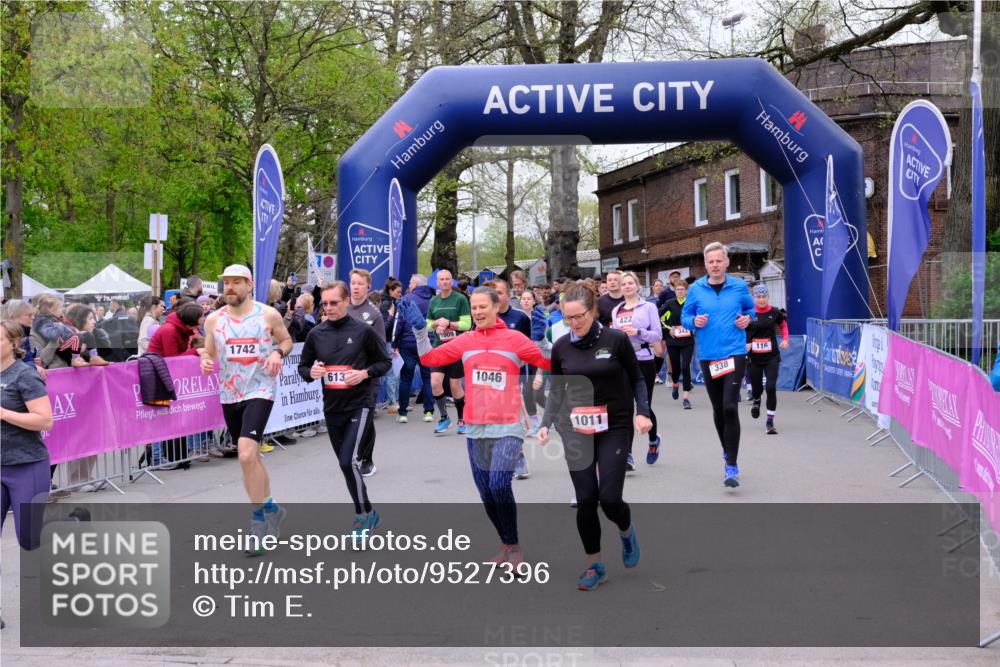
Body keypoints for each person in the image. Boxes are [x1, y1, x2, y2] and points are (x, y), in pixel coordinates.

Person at [399, 286, 550, 566]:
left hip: (508, 423)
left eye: (483, 306)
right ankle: (506, 544)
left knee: (499, 484)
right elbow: (430, 359)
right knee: (486, 492)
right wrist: (421, 331)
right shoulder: (466, 340)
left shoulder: (514, 339)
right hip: (476, 425)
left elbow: (548, 362)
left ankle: (514, 547)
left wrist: (541, 340)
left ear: (496, 307)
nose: (478, 311)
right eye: (474, 307)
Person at [536, 283, 651, 590]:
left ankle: (626, 530)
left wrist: (644, 412)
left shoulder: (616, 340)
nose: (574, 323)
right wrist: (546, 423)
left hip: (615, 424)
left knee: (610, 499)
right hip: (577, 428)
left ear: (593, 311)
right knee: (586, 499)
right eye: (567, 317)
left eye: (579, 317)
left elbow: (638, 379)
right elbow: (556, 390)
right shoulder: (561, 347)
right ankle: (594, 565)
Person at [200, 264, 292, 554]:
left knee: (245, 453)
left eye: (236, 282)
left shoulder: (267, 314)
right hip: (230, 393)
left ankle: (258, 524)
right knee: (251, 459)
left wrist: (278, 352)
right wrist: (204, 360)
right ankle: (271, 508)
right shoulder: (214, 320)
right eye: (226, 283)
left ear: (249, 285)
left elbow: (286, 339)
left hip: (260, 389)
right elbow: (210, 352)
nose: (229, 288)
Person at [298, 281, 391, 537]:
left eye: (334, 302)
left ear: (346, 301)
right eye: (324, 303)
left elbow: (384, 363)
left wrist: (364, 374)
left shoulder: (363, 331)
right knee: (345, 464)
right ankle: (370, 512)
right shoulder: (316, 334)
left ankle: (362, 517)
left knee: (347, 460)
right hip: (332, 406)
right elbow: (303, 368)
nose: (328, 308)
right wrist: (312, 372)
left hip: (359, 404)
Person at [681, 243, 754, 488]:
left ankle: (731, 465)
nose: (715, 265)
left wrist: (747, 319)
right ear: (705, 264)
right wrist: (694, 321)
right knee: (718, 408)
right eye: (710, 261)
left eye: (718, 260)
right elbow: (685, 317)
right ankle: (727, 448)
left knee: (730, 406)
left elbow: (751, 309)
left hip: (735, 352)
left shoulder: (739, 286)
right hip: (709, 355)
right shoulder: (696, 289)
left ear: (726, 262)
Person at [0, 320, 54, 551]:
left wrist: (3, 414)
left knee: (30, 539)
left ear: (13, 343)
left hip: (26, 464)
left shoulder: (23, 375)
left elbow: (45, 421)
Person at [610, 271, 663, 468]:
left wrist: (638, 332)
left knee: (644, 405)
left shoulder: (648, 307)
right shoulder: (617, 310)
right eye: (624, 284)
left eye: (630, 283)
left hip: (643, 359)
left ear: (637, 286)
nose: (627, 286)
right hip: (623, 361)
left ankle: (653, 441)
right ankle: (628, 454)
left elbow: (657, 335)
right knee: (625, 408)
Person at [484, 279, 533, 479]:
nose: (496, 295)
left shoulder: (519, 317)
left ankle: (518, 457)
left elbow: (528, 347)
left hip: (514, 376)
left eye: (500, 292)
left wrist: (520, 359)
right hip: (489, 375)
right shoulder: (483, 316)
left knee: (511, 417)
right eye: (493, 292)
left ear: (508, 295)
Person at [347, 269, 385, 477]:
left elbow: (380, 348)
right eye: (353, 283)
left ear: (368, 287)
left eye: (360, 283)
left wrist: (366, 369)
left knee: (365, 416)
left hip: (367, 375)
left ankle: (366, 459)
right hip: (345, 375)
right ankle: (352, 454)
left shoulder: (374, 314)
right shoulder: (342, 308)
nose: (356, 287)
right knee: (349, 417)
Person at [425, 269, 471, 435]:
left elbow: (467, 324)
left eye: (447, 279)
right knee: (435, 383)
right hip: (439, 348)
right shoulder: (434, 301)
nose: (444, 282)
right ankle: (444, 417)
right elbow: (427, 324)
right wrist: (436, 323)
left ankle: (462, 418)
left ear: (452, 281)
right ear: (437, 282)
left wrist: (449, 324)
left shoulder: (460, 299)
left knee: (455, 386)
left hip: (457, 348)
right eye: (441, 279)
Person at [393, 273, 436, 424]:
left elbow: (398, 323)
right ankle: (429, 411)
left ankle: (403, 413)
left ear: (416, 285)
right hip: (427, 343)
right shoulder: (434, 300)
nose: (409, 285)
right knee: (427, 378)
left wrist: (394, 343)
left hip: (407, 343)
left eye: (411, 283)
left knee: (406, 378)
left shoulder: (407, 299)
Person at [746, 283, 789, 435]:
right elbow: (739, 330)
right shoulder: (749, 313)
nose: (762, 299)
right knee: (757, 388)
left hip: (772, 356)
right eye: (758, 296)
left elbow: (783, 326)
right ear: (754, 297)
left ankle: (770, 422)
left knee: (770, 387)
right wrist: (746, 344)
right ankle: (756, 400)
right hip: (754, 357)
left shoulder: (775, 312)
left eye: (764, 296)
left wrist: (785, 339)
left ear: (768, 297)